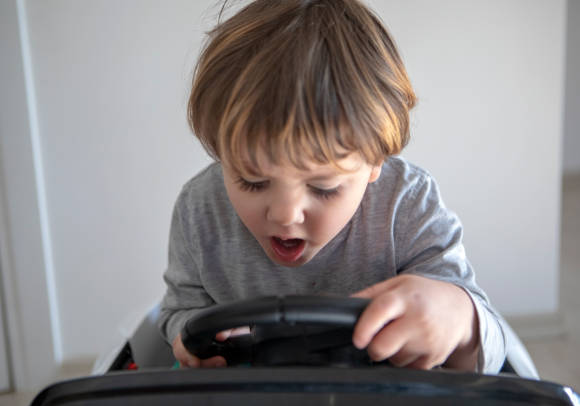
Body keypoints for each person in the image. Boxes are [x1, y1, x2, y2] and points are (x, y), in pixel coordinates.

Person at [157, 0, 506, 373]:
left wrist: (457, 319)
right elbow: (180, 310)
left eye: (323, 187)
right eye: (253, 181)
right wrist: (188, 338)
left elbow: (492, 352)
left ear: (375, 163)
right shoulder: (200, 208)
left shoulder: (406, 206)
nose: (286, 214)